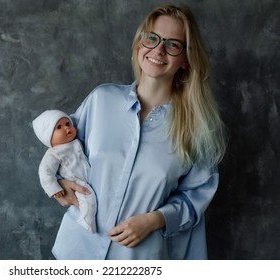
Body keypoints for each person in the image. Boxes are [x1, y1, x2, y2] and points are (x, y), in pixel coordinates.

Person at [49, 3, 227, 259]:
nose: (158, 50)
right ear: (139, 43)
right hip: (76, 252)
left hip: (137, 259)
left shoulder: (197, 128)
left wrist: (155, 220)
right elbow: (60, 148)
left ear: (186, 59)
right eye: (152, 38)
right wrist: (59, 183)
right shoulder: (101, 100)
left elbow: (196, 196)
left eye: (173, 44)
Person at [32, 110, 97, 233]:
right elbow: (45, 172)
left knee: (92, 200)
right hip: (76, 183)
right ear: (49, 137)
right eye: (59, 127)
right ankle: (86, 221)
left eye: (68, 123)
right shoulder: (53, 153)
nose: (67, 128)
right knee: (89, 201)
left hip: (89, 179)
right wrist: (53, 189)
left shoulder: (75, 143)